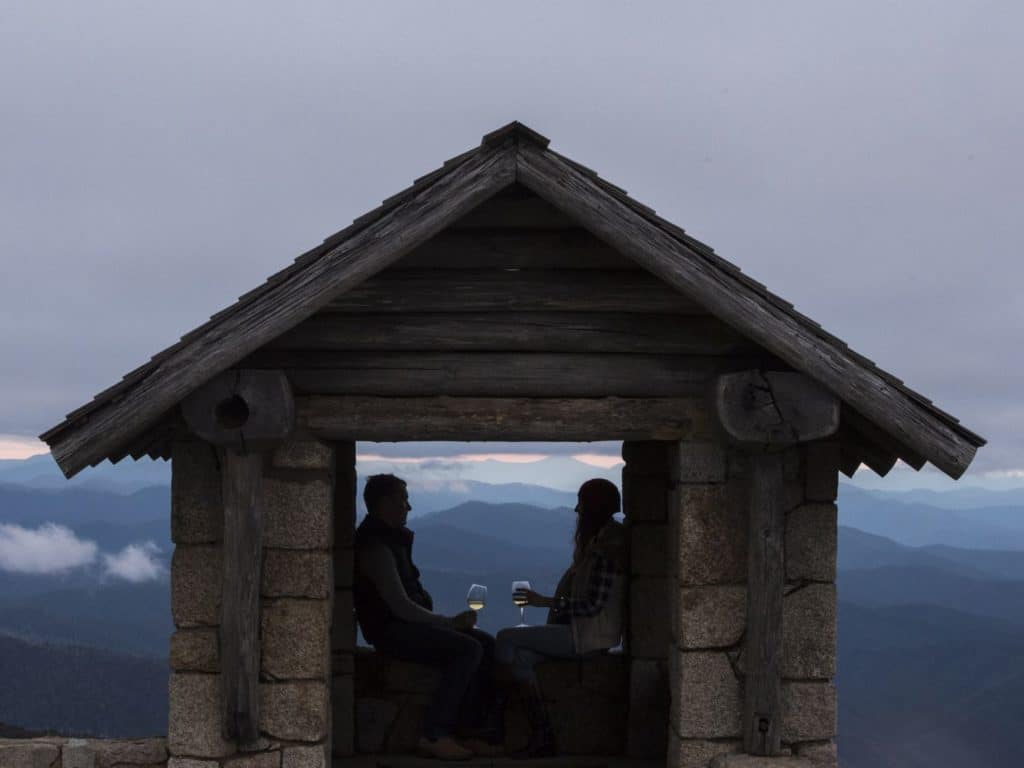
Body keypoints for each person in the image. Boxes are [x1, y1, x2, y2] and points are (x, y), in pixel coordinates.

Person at [353, 474, 502, 760]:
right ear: (385, 503)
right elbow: (400, 606)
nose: (409, 507)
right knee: (469, 648)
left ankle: (469, 732)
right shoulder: (376, 548)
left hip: (402, 626)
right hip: (392, 632)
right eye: (403, 500)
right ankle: (433, 734)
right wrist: (449, 623)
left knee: (486, 643)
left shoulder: (388, 541)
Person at [494, 478, 627, 758]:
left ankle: (497, 717)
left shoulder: (607, 549)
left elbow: (593, 606)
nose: (577, 511)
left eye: (581, 504)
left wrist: (546, 602)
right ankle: (542, 732)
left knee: (505, 638)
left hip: (585, 637)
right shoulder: (601, 543)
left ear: (592, 508)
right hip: (583, 634)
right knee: (521, 659)